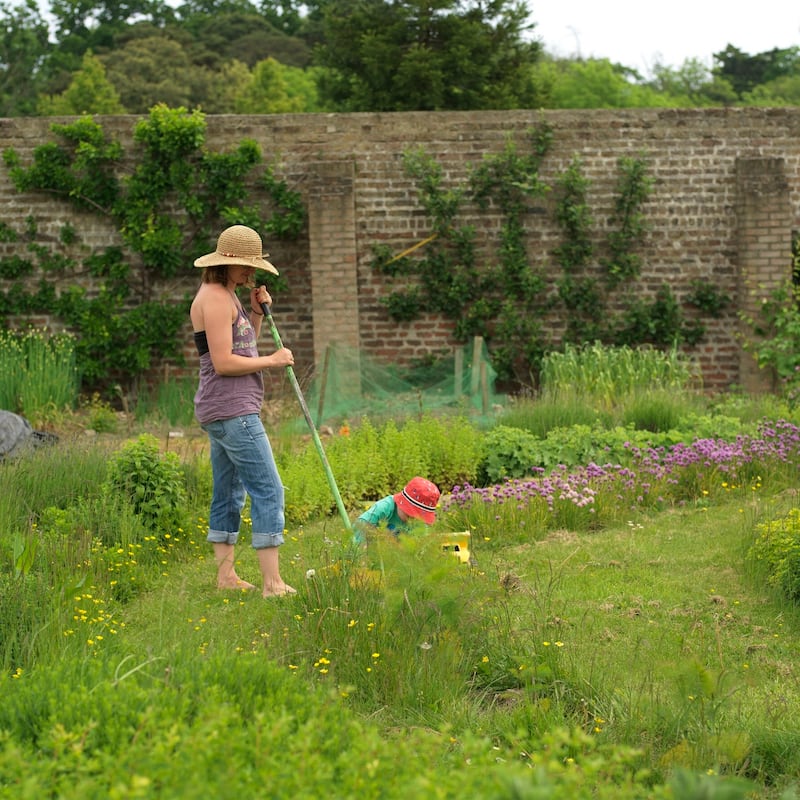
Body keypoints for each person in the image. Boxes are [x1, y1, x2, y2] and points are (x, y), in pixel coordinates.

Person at [190, 224, 296, 597]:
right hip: (233, 411)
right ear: (226, 263)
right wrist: (274, 359)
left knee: (229, 492)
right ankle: (272, 584)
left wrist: (256, 315)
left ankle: (226, 578)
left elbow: (239, 346)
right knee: (269, 490)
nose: (253, 272)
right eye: (247, 266)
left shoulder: (225, 294)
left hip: (223, 409)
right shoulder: (216, 299)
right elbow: (223, 362)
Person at [354, 476, 440, 545]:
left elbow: (419, 547)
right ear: (401, 503)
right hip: (370, 548)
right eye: (409, 516)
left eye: (418, 519)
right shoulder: (385, 507)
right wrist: (362, 558)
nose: (412, 521)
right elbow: (360, 525)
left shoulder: (420, 527)